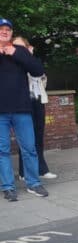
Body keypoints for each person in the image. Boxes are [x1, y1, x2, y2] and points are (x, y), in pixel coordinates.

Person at [0, 18, 49, 201]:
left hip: (21, 108)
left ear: (11, 34)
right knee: (2, 150)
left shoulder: (20, 51)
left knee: (29, 148)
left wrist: (15, 53)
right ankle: (8, 187)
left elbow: (38, 70)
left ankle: (33, 183)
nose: (5, 32)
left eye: (8, 29)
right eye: (1, 29)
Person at [14, 37, 57, 180]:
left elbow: (42, 77)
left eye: (22, 47)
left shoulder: (32, 61)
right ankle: (23, 171)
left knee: (38, 136)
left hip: (37, 101)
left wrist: (30, 57)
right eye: (16, 47)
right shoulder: (13, 62)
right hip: (22, 103)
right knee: (25, 138)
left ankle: (42, 169)